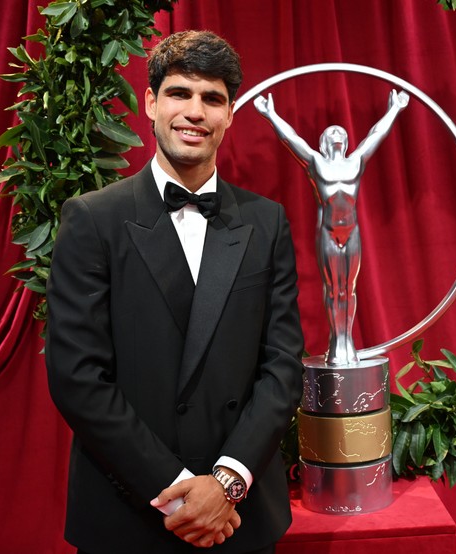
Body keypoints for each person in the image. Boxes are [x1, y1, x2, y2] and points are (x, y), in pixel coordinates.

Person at [45, 30, 304, 553]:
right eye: (179, 93)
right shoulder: (93, 219)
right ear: (150, 103)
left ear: (230, 114)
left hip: (239, 516)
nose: (195, 111)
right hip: (130, 513)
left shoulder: (266, 221)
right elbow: (77, 378)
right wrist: (181, 496)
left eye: (212, 98)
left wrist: (226, 484)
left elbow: (283, 367)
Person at [253, 90, 409, 365]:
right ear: (325, 142)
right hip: (327, 233)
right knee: (333, 288)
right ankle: (337, 343)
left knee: (348, 290)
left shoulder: (356, 161)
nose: (337, 132)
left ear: (347, 141)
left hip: (352, 233)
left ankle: (347, 341)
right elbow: (292, 140)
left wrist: (394, 109)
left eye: (340, 130)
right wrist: (270, 114)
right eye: (331, 131)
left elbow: (376, 135)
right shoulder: (316, 162)